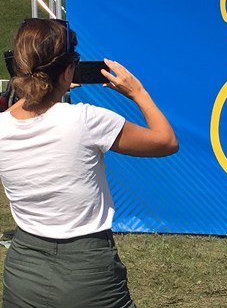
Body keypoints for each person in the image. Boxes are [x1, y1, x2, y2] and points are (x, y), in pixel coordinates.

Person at [0, 18, 178, 307]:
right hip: (87, 269)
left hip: (23, 269)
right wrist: (137, 93)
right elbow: (165, 141)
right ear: (68, 70)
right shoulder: (86, 120)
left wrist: (50, 88)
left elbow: (26, 110)